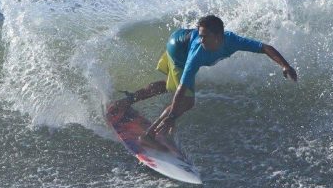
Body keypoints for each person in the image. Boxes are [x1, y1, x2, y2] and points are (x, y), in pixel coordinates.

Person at [114, 14, 297, 150]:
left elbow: (265, 48)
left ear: (218, 36)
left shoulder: (233, 41)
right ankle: (149, 136)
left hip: (180, 38)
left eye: (205, 36)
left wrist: (285, 66)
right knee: (187, 99)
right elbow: (183, 87)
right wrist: (173, 116)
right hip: (178, 49)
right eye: (200, 35)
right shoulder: (197, 52)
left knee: (167, 85)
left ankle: (127, 100)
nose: (201, 40)